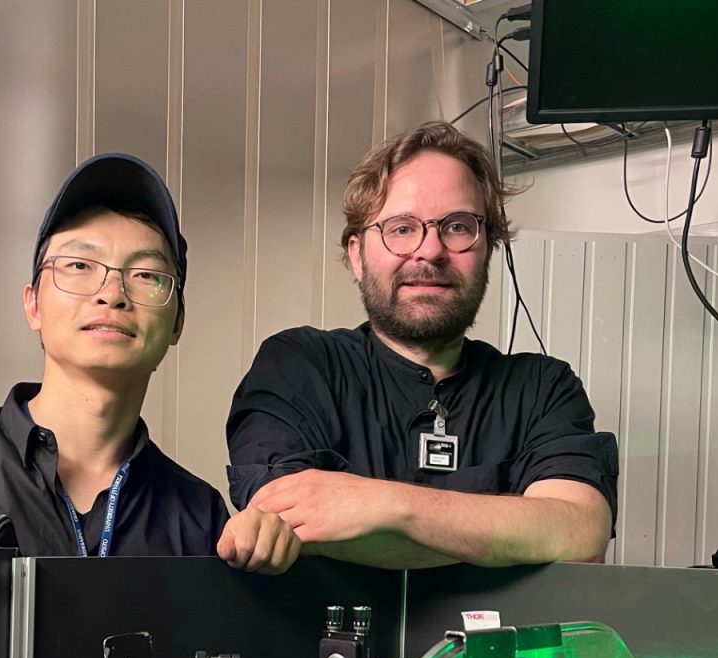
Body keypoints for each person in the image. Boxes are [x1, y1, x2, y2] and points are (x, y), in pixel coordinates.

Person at [0, 153, 299, 575]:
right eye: (79, 266)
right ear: (32, 304)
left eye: (146, 274)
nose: (111, 293)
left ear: (177, 323)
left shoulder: (199, 518)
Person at [225, 122, 617, 569]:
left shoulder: (543, 388)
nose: (430, 251)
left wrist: (384, 505)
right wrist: (512, 534)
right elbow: (289, 524)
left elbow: (579, 534)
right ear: (357, 254)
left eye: (457, 226)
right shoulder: (299, 367)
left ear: (488, 249)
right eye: (402, 228)